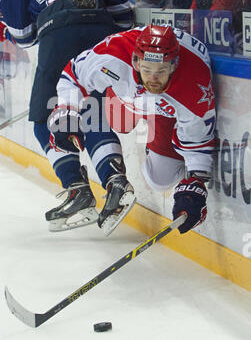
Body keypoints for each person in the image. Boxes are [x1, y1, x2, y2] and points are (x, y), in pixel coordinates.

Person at [0, 0, 134, 235]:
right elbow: (125, 16)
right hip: (100, 34)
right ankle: (116, 182)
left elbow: (23, 36)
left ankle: (78, 190)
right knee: (93, 114)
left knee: (43, 122)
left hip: (58, 35)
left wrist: (13, 28)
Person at [48, 25, 215, 235]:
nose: (153, 78)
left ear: (174, 65)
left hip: (164, 109)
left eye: (161, 70)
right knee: (120, 124)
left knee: (160, 178)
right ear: (135, 61)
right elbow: (73, 75)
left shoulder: (194, 82)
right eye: (147, 69)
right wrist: (67, 109)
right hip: (128, 96)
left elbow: (198, 143)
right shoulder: (115, 54)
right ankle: (139, 109)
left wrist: (195, 184)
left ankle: (156, 127)